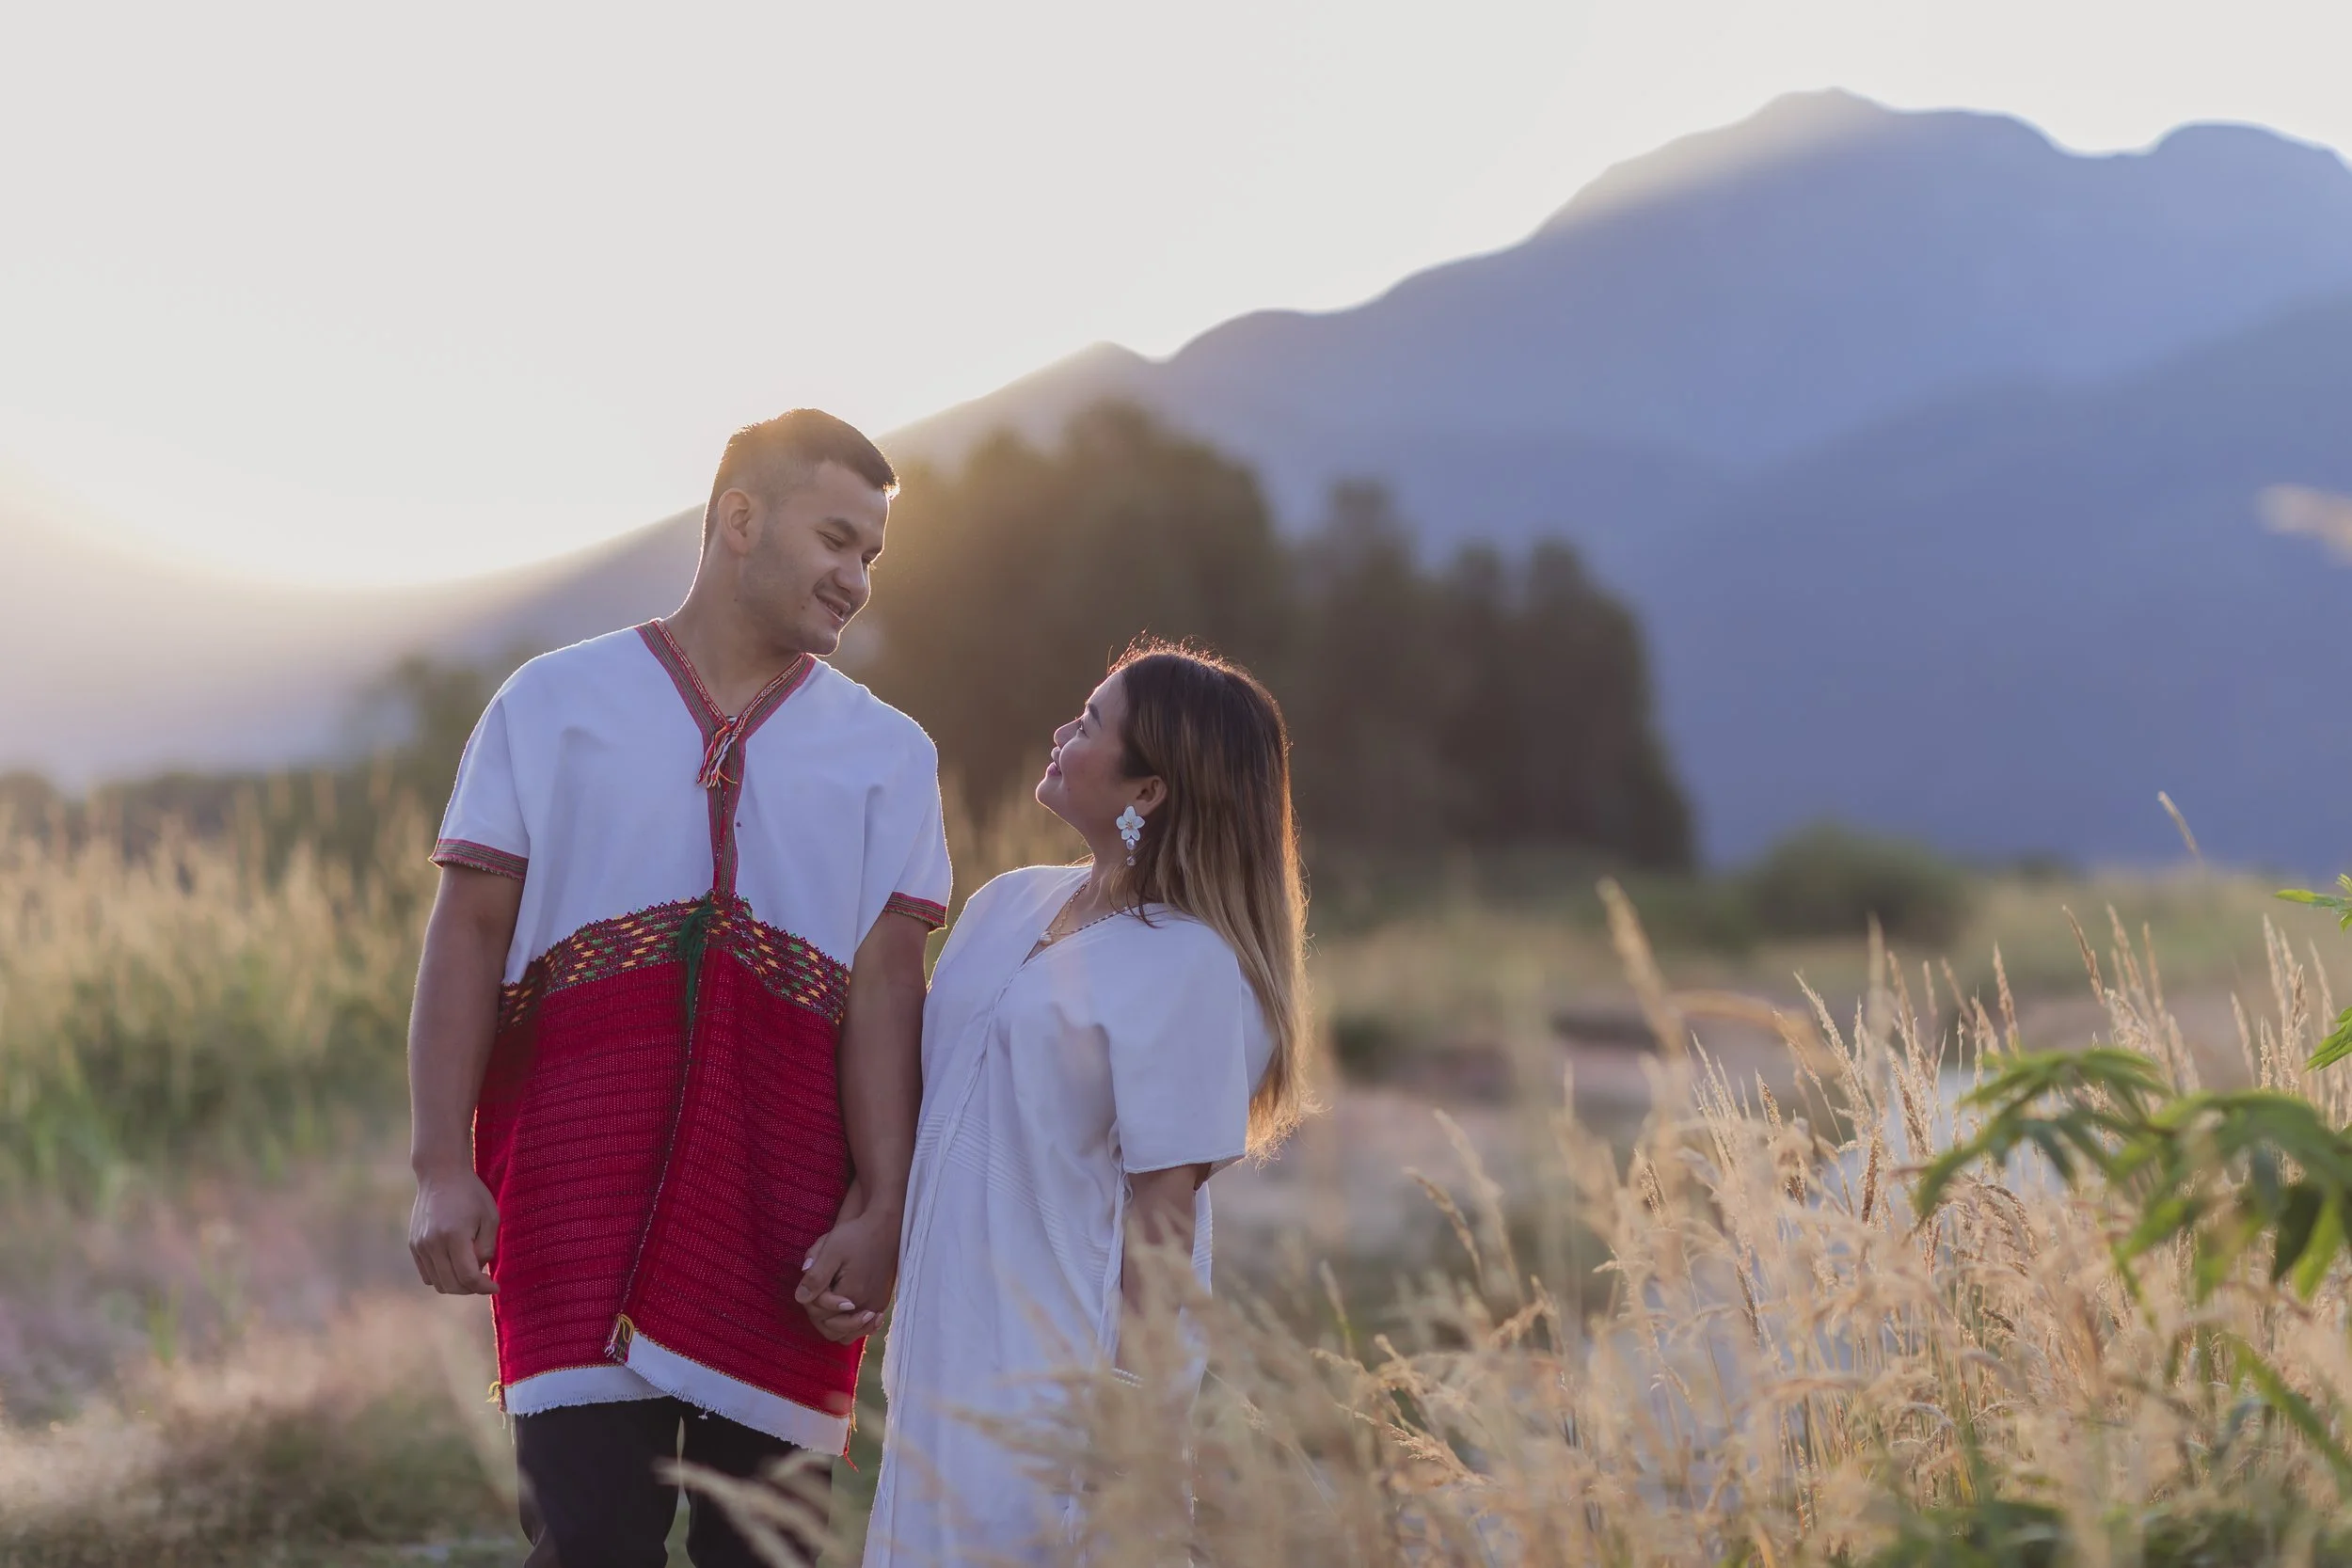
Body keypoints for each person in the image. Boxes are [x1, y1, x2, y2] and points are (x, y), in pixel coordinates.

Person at [405, 409, 951, 1568]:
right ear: (739, 518)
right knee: (590, 1543)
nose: (855, 579)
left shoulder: (889, 755)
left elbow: (885, 995)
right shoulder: (551, 703)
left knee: (767, 1551)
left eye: (870, 556)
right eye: (836, 540)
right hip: (571, 1201)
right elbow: (467, 935)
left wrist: (882, 1208)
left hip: (789, 1226)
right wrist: (441, 1165)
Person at [865, 643, 1310, 1566]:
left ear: (1148, 789)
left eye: (1092, 723)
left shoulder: (1191, 964)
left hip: (1057, 1382)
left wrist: (1131, 1423)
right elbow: (932, 1095)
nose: (1064, 731)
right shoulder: (1005, 903)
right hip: (939, 1354)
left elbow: (1163, 1219)